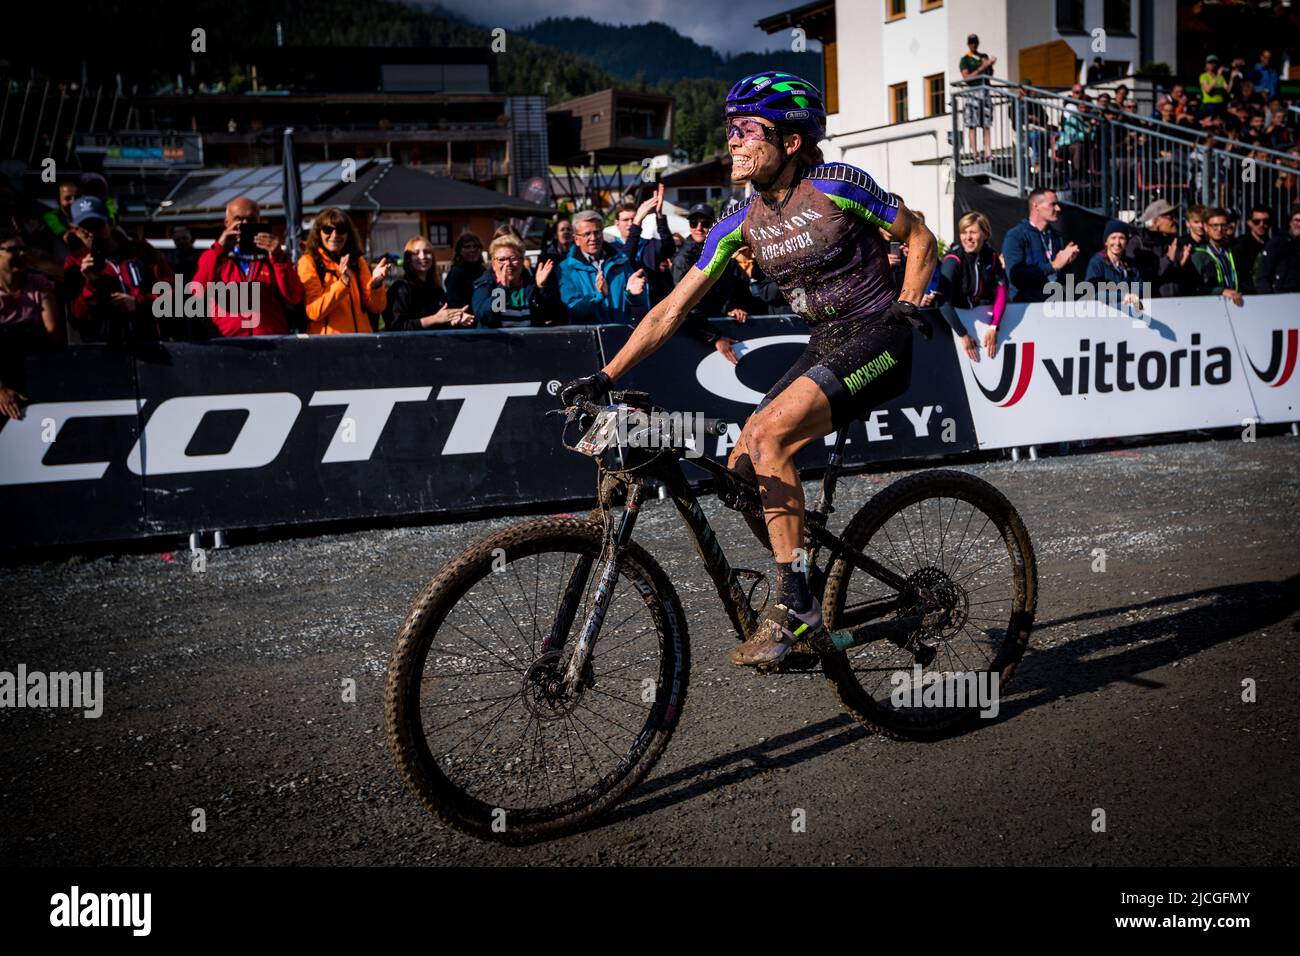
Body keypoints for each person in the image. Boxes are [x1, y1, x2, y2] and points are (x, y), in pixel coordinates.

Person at [559, 71, 936, 668]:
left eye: (747, 130)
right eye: (730, 130)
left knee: (764, 436)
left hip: (881, 336)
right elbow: (671, 309)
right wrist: (606, 377)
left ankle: (796, 608)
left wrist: (910, 307)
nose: (733, 141)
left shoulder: (838, 184)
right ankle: (805, 579)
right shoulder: (739, 221)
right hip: (827, 340)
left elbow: (919, 236)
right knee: (738, 473)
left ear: (789, 141)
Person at [61, 196, 171, 344]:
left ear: (110, 223)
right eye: (84, 229)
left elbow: (172, 292)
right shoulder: (74, 264)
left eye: (97, 225)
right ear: (74, 231)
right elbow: (77, 317)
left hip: (150, 344)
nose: (91, 233)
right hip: (104, 352)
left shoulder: (141, 250)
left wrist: (139, 303)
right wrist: (91, 284)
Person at [192, 197, 304, 337]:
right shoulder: (216, 257)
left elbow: (294, 297)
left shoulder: (273, 257)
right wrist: (220, 249)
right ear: (227, 222)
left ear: (259, 221)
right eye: (238, 219)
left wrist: (278, 257)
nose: (244, 224)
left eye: (251, 220)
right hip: (229, 342)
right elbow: (197, 292)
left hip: (270, 341)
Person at [670, 202, 758, 361]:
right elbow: (683, 305)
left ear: (713, 225)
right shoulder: (683, 258)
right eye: (693, 223)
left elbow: (741, 288)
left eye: (705, 223)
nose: (699, 227)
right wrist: (715, 337)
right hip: (697, 335)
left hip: (722, 331)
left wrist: (736, 307)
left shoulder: (722, 252)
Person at [0, 228, 63, 419]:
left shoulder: (37, 283)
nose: (21, 254)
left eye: (23, 248)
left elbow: (54, 334)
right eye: (13, 250)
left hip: (34, 369)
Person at [296, 208, 390, 334]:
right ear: (319, 233)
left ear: (348, 234)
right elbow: (314, 311)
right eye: (328, 230)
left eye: (340, 230)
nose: (334, 235)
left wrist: (376, 285)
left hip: (361, 343)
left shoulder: (357, 261)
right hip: (329, 346)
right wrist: (343, 284)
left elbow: (377, 307)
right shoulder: (309, 262)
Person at [935, 212, 1006, 360]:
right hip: (956, 324)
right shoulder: (953, 259)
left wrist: (994, 326)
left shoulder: (991, 256)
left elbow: (1001, 290)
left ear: (985, 234)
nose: (967, 238)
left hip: (985, 323)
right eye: (963, 232)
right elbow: (942, 302)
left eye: (973, 232)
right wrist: (963, 334)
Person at [557, 210, 648, 323]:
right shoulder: (566, 269)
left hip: (624, 334)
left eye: (597, 232)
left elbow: (639, 302)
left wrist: (634, 295)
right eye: (587, 234)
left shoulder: (621, 260)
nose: (593, 238)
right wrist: (599, 296)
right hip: (589, 338)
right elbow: (573, 309)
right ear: (576, 240)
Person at [1002, 188, 1079, 302]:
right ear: (1036, 206)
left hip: (1056, 306)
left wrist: (1066, 262)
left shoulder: (1057, 237)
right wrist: (1053, 266)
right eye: (1053, 204)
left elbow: (1066, 277)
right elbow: (1015, 277)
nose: (1058, 208)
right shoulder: (1016, 236)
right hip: (1027, 308)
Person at [471, 234, 564, 328]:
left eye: (513, 258)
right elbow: (486, 317)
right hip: (498, 342)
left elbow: (552, 314)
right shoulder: (485, 285)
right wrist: (502, 289)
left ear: (522, 262)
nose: (508, 264)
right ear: (494, 265)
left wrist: (541, 288)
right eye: (501, 259)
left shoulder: (530, 286)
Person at [384, 236, 468, 330]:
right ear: (408, 259)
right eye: (416, 253)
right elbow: (396, 326)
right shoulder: (401, 288)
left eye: (427, 252)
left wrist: (452, 320)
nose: (423, 256)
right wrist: (435, 319)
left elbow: (439, 322)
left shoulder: (437, 290)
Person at [612, 185, 677, 304]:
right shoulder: (612, 248)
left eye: (634, 219)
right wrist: (637, 222)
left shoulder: (648, 244)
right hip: (626, 304)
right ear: (617, 223)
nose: (630, 223)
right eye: (626, 220)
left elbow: (669, 249)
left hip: (653, 304)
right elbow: (625, 257)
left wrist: (659, 215)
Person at [1124, 199, 1196, 298]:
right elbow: (1140, 279)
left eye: (1175, 216)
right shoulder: (1138, 244)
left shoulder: (1174, 242)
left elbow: (1188, 282)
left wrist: (1181, 266)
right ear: (1155, 221)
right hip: (1153, 307)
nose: (1175, 220)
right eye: (1170, 217)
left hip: (1178, 304)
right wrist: (1168, 260)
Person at [1084, 220, 1144, 310]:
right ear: (1106, 242)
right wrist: (1122, 296)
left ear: (1126, 242)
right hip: (1102, 314)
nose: (1117, 242)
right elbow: (1093, 293)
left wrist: (1133, 296)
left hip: (1126, 313)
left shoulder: (1129, 264)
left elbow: (1140, 286)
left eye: (1121, 238)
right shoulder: (1097, 263)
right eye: (1113, 238)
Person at [1190, 206, 1244, 305]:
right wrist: (1221, 291)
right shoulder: (1199, 254)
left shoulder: (1232, 251)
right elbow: (1193, 287)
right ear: (1206, 227)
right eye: (1214, 225)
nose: (1219, 229)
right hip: (1209, 307)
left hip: (1235, 305)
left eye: (1223, 225)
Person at [959, 34, 996, 161]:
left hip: (985, 91)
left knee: (986, 124)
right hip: (973, 92)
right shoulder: (965, 59)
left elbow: (989, 74)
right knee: (972, 124)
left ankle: (988, 152)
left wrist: (990, 65)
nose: (973, 45)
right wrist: (982, 67)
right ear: (968, 44)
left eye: (975, 42)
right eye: (971, 43)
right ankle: (974, 153)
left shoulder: (983, 56)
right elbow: (967, 77)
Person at [1254, 203, 1300, 294]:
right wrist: (1269, 300)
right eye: (1297, 220)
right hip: (1281, 298)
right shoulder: (1277, 243)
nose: (1299, 224)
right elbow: (1262, 276)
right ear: (1290, 222)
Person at [443, 232, 485, 309]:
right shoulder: (456, 273)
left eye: (475, 246)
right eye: (467, 247)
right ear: (460, 251)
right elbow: (453, 302)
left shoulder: (483, 271)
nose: (472, 250)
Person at [1233, 204, 1271, 286]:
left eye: (1266, 221)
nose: (1261, 224)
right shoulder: (1241, 246)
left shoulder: (1274, 245)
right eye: (1256, 221)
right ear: (1249, 223)